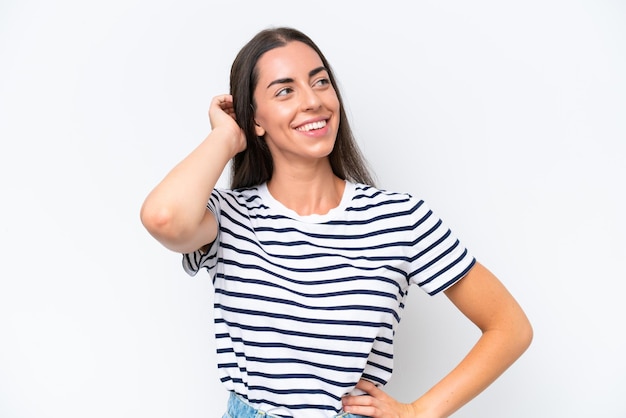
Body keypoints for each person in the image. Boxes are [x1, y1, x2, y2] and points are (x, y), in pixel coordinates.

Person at [140, 26, 533, 418]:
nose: (312, 101)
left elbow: (509, 327)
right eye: (284, 90)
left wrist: (419, 412)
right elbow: (163, 218)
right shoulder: (230, 218)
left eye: (320, 82)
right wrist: (225, 137)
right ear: (254, 120)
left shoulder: (400, 218)